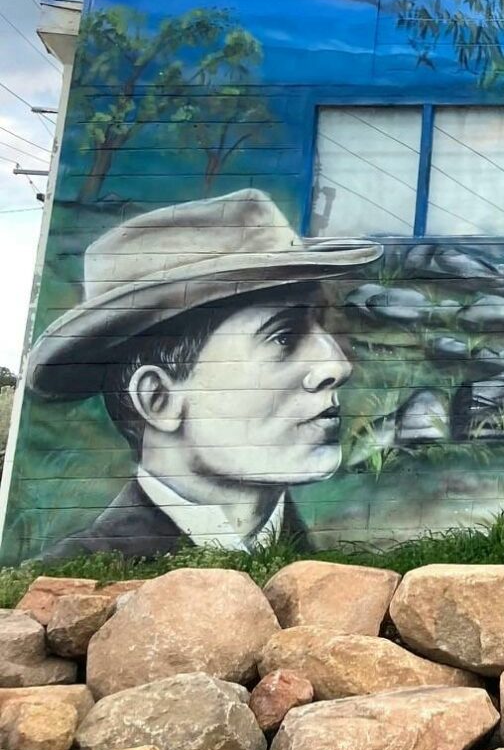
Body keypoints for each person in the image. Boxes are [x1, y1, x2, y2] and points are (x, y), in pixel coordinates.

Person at [25, 190, 380, 560]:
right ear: (158, 399)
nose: (338, 365)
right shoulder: (77, 571)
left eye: (322, 324)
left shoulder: (320, 563)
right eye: (284, 337)